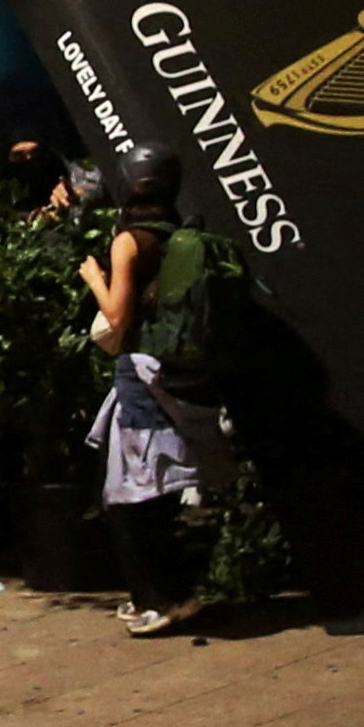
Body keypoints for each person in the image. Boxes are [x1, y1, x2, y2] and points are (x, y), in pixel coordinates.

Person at [78, 144, 232, 637]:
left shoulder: (130, 240)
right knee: (158, 497)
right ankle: (174, 594)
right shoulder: (178, 234)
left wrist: (94, 278)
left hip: (142, 379)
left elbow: (117, 317)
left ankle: (159, 600)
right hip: (177, 377)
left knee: (129, 501)